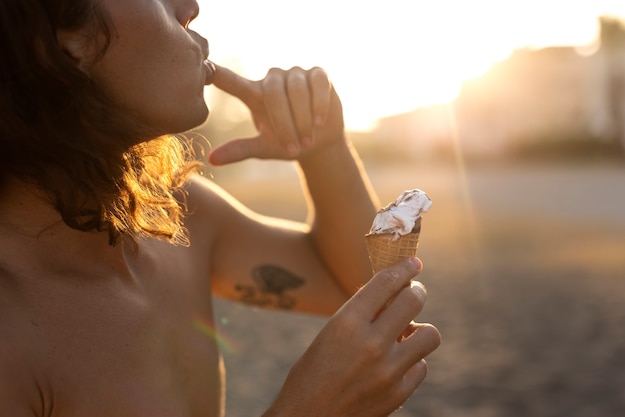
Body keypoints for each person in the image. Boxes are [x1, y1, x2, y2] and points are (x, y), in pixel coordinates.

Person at [0, 0, 441, 416]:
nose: (190, 8)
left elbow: (356, 288)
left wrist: (322, 147)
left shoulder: (174, 213)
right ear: (62, 33)